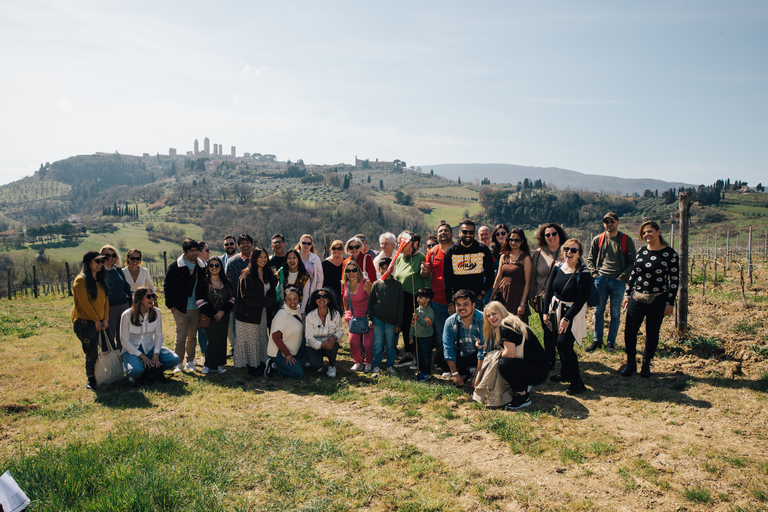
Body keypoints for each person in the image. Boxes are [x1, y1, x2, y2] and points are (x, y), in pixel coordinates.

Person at [621, 221, 679, 378]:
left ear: (658, 232)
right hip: (637, 297)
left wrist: (670, 302)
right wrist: (627, 295)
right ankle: (631, 362)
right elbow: (633, 274)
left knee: (652, 332)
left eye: (650, 231)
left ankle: (646, 363)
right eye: (644, 233)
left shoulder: (670, 254)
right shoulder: (641, 251)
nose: (647, 234)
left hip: (658, 298)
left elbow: (674, 280)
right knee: (630, 331)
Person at [478, 301, 549, 410]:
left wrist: (495, 355)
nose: (491, 317)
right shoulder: (510, 321)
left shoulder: (506, 326)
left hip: (538, 372)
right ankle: (523, 385)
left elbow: (510, 353)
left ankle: (522, 396)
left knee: (503, 364)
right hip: (539, 367)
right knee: (502, 360)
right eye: (488, 316)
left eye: (494, 313)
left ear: (501, 311)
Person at [543, 238, 592, 395]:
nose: (569, 252)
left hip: (572, 313)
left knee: (564, 344)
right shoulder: (558, 267)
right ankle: (565, 372)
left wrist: (567, 318)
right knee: (558, 342)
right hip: (555, 310)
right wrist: (545, 312)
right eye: (566, 249)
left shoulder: (583, 273)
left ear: (579, 254)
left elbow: (581, 300)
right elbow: (549, 290)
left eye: (573, 250)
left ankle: (577, 381)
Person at [585, 212, 636, 352]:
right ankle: (597, 341)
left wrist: (623, 275)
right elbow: (590, 259)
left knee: (615, 313)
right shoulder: (598, 239)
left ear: (618, 222)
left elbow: (633, 262)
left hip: (618, 281)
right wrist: (595, 274)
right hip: (601, 280)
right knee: (598, 311)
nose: (609, 224)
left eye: (612, 221)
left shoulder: (626, 240)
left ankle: (611, 342)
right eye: (606, 222)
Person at [120, 287, 180, 384]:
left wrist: (155, 355)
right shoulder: (126, 315)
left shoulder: (156, 312)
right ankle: (135, 368)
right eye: (148, 296)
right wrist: (143, 357)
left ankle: (151, 371)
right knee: (135, 370)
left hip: (149, 348)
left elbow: (159, 336)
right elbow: (124, 341)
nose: (152, 299)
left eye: (152, 296)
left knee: (174, 359)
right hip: (132, 350)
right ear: (139, 299)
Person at [163, 237, 206, 372]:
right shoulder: (175, 267)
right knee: (180, 337)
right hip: (180, 308)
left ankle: (190, 361)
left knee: (192, 336)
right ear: (185, 251)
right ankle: (178, 362)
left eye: (196, 250)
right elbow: (167, 287)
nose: (194, 253)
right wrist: (172, 306)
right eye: (191, 251)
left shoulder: (201, 266)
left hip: (196, 307)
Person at [529, 223, 568, 369]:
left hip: (563, 298)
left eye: (554, 233)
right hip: (544, 298)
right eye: (547, 235)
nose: (551, 237)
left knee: (562, 331)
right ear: (543, 237)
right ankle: (550, 359)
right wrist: (532, 296)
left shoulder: (567, 250)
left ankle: (565, 359)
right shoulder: (538, 254)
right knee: (548, 330)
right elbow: (532, 277)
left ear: (559, 234)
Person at [235, 247, 277, 375]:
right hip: (248, 314)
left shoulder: (267, 273)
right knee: (251, 340)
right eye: (260, 257)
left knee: (260, 338)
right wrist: (268, 301)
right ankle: (252, 366)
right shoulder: (247, 274)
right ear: (254, 258)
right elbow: (247, 296)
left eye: (265, 257)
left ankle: (260, 363)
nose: (263, 260)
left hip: (261, 313)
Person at [71, 251, 109, 390]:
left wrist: (105, 318)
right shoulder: (81, 280)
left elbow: (105, 300)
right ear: (89, 263)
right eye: (97, 261)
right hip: (85, 322)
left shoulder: (99, 279)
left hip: (100, 321)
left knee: (106, 348)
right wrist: (95, 320)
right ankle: (91, 379)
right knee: (91, 351)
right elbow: (84, 303)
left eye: (102, 261)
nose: (101, 264)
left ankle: (106, 373)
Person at [421, 223, 453, 374]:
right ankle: (444, 364)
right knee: (441, 334)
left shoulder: (458, 250)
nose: (443, 233)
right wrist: (424, 271)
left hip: (458, 300)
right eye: (440, 231)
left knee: (459, 332)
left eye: (446, 230)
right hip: (439, 300)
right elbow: (425, 275)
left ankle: (461, 363)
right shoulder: (433, 252)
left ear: (452, 234)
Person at [393, 231, 427, 369]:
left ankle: (417, 356)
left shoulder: (421, 258)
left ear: (415, 244)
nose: (400, 246)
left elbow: (426, 279)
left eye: (404, 243)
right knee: (405, 326)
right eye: (399, 243)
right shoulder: (400, 257)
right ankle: (408, 353)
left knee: (415, 327)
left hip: (415, 298)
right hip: (402, 298)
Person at [443, 219, 495, 311]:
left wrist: (483, 293)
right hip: (458, 299)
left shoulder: (482, 249)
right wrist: (450, 301)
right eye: (465, 232)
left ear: (474, 233)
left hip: (476, 299)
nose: (468, 235)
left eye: (471, 232)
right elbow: (447, 278)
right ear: (459, 233)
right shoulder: (451, 251)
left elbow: (490, 274)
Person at [196, 256, 235, 374]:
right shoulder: (203, 282)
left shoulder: (226, 282)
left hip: (224, 315)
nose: (214, 268)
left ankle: (219, 364)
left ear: (220, 267)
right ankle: (208, 364)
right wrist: (214, 314)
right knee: (212, 341)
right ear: (208, 267)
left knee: (222, 340)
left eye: (217, 265)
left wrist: (223, 311)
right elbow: (200, 301)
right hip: (209, 315)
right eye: (211, 265)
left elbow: (232, 298)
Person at [367, 258, 404, 374]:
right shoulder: (376, 284)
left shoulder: (398, 285)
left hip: (391, 321)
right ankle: (376, 365)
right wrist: (370, 318)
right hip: (378, 319)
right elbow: (371, 303)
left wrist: (398, 324)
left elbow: (400, 306)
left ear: (392, 268)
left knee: (390, 344)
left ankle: (390, 365)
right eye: (382, 268)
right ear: (379, 270)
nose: (385, 270)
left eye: (387, 268)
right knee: (377, 344)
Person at [442, 289, 484, 387]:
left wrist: (478, 375)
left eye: (465, 304)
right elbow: (448, 347)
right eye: (458, 305)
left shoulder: (483, 320)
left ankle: (476, 371)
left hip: (478, 356)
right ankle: (463, 371)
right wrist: (455, 373)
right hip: (462, 354)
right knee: (439, 355)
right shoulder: (450, 322)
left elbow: (484, 350)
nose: (462, 308)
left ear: (473, 305)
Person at [490, 227, 532, 324]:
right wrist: (491, 297)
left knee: (517, 325)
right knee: (501, 324)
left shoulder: (525, 258)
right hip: (503, 295)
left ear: (522, 241)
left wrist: (522, 303)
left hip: (517, 295)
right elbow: (498, 278)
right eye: (511, 239)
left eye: (517, 240)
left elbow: (528, 282)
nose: (513, 242)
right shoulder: (503, 256)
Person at [265, 286, 305, 379]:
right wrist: (287, 355)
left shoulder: (297, 310)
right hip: (280, 352)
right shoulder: (282, 315)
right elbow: (276, 337)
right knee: (299, 374)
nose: (292, 302)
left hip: (292, 348)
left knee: (306, 341)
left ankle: (293, 364)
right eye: (289, 299)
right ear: (284, 300)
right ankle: (273, 365)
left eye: (295, 299)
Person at [304, 288, 344, 378]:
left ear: (329, 300)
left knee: (333, 345)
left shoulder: (335, 314)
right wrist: (322, 344)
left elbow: (340, 331)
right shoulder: (310, 316)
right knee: (316, 366)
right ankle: (316, 362)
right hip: (314, 345)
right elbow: (309, 337)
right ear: (315, 300)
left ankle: (332, 366)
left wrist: (334, 337)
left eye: (324, 296)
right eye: (319, 297)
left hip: (329, 344)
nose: (321, 299)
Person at [343, 259, 374, 372]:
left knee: (368, 344)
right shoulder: (346, 284)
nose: (351, 273)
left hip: (366, 316)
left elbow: (373, 300)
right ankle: (357, 362)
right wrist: (347, 312)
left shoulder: (365, 284)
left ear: (358, 271)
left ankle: (369, 362)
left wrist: (371, 318)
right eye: (348, 270)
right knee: (353, 342)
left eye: (354, 270)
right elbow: (345, 299)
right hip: (354, 316)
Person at [100, 244, 132, 349]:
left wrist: (134, 296)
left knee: (123, 335)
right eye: (107, 255)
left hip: (124, 306)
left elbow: (126, 286)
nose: (110, 258)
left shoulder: (117, 270)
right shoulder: (100, 273)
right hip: (109, 308)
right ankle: (110, 359)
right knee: (109, 335)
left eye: (113, 255)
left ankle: (122, 359)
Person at [409, 288, 435, 381]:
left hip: (426, 338)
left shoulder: (430, 311)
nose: (418, 299)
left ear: (427, 299)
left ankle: (427, 373)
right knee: (418, 356)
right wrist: (411, 336)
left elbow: (427, 323)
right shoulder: (417, 310)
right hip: (417, 337)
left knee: (426, 356)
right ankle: (421, 371)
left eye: (421, 297)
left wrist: (419, 318)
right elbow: (412, 324)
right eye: (418, 297)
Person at [277, 249, 311, 314]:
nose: (292, 260)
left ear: (298, 260)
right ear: (286, 261)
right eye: (289, 258)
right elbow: (280, 289)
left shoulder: (305, 275)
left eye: (294, 258)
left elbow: (306, 295)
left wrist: (301, 311)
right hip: (284, 305)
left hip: (299, 305)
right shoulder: (281, 272)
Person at [321, 239, 345, 304]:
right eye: (334, 248)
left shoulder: (346, 262)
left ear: (342, 250)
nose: (336, 250)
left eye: (339, 248)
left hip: (343, 292)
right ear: (331, 250)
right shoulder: (325, 263)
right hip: (329, 294)